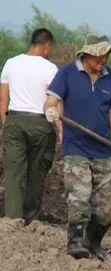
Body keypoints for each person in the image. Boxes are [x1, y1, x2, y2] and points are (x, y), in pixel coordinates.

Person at [43, 33, 111, 259]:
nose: (104, 60)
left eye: (106, 56)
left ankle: (92, 241)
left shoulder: (109, 75)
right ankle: (74, 243)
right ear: (86, 54)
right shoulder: (67, 73)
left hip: (104, 149)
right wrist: (50, 111)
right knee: (80, 197)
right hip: (76, 147)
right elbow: (51, 101)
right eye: (100, 55)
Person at [0, 28, 57, 222]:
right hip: (40, 123)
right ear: (46, 45)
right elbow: (55, 101)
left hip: (14, 120)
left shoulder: (11, 63)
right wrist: (60, 128)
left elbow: (3, 99)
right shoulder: (50, 68)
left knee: (14, 173)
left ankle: (12, 220)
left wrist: (5, 124)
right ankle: (30, 219)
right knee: (37, 172)